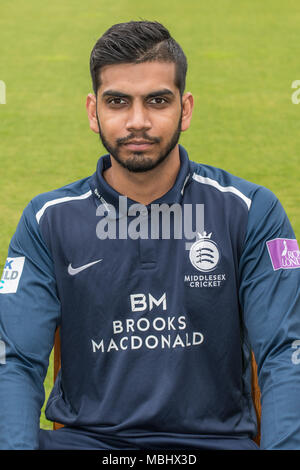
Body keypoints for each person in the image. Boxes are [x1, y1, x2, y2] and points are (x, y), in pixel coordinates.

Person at [0, 20, 300, 451]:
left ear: (186, 108)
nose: (137, 121)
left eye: (157, 101)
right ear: (92, 111)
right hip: (90, 445)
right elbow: (14, 361)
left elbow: (286, 353)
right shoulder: (47, 219)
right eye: (118, 102)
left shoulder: (251, 210)